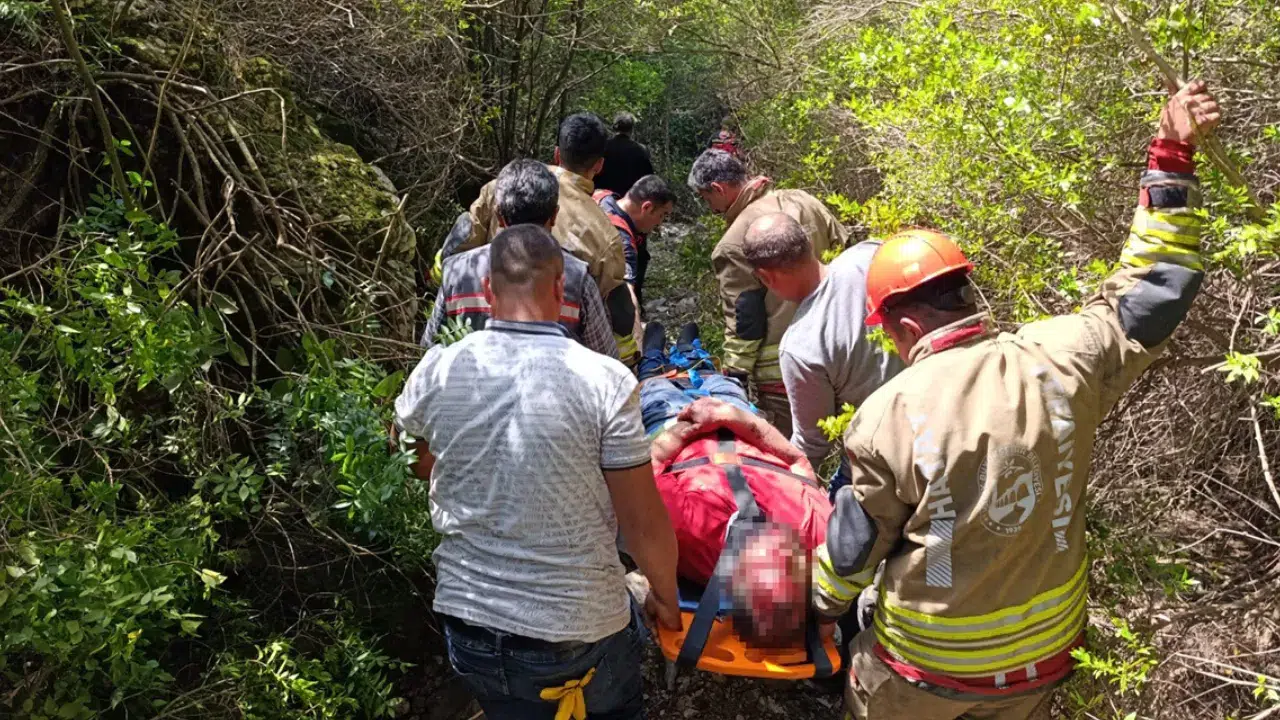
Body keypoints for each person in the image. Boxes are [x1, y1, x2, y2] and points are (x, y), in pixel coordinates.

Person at [810, 82, 1220, 719]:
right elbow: (1155, 289)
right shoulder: (1066, 355)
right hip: (1043, 659)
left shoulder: (885, 415)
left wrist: (818, 604)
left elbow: (854, 552)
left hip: (927, 673)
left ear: (905, 327)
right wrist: (1169, 157)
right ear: (964, 298)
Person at [395, 224, 681, 719]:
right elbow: (641, 523)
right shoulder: (604, 381)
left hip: (468, 627)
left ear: (487, 291)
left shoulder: (436, 369)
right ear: (560, 291)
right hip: (575, 634)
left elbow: (414, 461)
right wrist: (668, 600)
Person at [635, 321, 832, 648]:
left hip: (674, 429)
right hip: (740, 424)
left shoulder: (685, 533)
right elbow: (797, 459)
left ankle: (654, 361)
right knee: (718, 382)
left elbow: (649, 463)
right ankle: (691, 355)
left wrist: (688, 428)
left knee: (654, 388)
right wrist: (728, 417)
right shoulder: (817, 531)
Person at [439, 112, 640, 367]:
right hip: (560, 360)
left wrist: (449, 279)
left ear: (557, 154)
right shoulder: (604, 235)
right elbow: (613, 322)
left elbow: (463, 241)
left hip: (481, 343)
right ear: (599, 165)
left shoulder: (503, 186)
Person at [687, 148, 848, 438]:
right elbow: (844, 251)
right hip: (841, 348)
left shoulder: (734, 242)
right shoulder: (804, 200)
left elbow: (745, 318)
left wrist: (734, 379)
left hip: (784, 373)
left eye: (705, 197)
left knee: (791, 457)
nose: (709, 206)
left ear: (717, 189)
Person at [741, 213, 903, 496]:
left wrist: (781, 490)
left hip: (880, 461)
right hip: (942, 418)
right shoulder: (871, 254)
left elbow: (813, 441)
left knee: (837, 523)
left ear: (765, 277)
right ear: (807, 244)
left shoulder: (801, 346)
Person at [421, 159, 618, 360]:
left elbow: (428, 351)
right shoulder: (578, 278)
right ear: (554, 216)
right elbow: (605, 357)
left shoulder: (456, 272)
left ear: (499, 215)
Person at [594, 174, 677, 314]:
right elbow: (627, 298)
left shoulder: (599, 196)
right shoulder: (624, 243)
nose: (660, 223)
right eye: (662, 215)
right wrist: (637, 332)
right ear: (648, 208)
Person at [594, 112, 655, 197]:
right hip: (628, 200)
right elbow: (648, 179)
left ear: (614, 128)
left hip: (600, 198)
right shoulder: (641, 150)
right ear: (631, 129)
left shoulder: (602, 147)